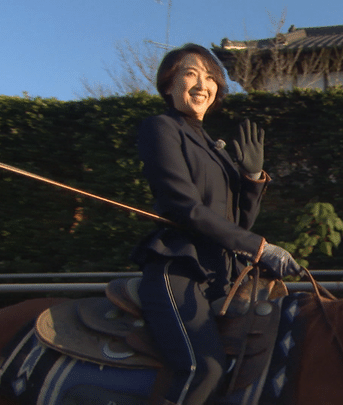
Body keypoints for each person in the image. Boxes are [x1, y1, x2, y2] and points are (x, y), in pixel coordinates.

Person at [131, 43, 302, 405]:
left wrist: (252, 178)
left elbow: (237, 223)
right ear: (169, 85)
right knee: (204, 369)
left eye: (210, 77)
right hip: (179, 269)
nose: (201, 84)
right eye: (190, 74)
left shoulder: (215, 148)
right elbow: (184, 207)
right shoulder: (161, 127)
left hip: (223, 275)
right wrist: (260, 248)